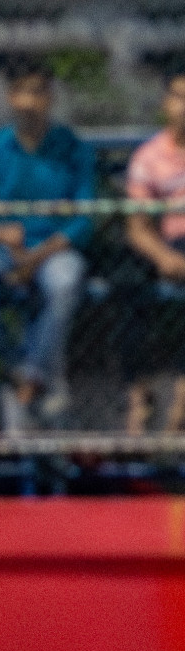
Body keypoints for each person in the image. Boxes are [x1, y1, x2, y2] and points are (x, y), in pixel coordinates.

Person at [0, 57, 95, 430]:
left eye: (41, 93)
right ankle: (18, 366)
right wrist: (1, 236)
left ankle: (32, 375)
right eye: (25, 93)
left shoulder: (73, 149)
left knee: (65, 283)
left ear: (51, 97)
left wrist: (38, 256)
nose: (33, 102)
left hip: (54, 251)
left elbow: (84, 219)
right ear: (11, 97)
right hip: (5, 253)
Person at [120, 71, 185, 434]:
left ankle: (183, 394)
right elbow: (137, 227)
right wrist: (164, 258)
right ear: (166, 104)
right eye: (178, 96)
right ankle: (139, 393)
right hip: (162, 245)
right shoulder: (148, 157)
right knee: (126, 285)